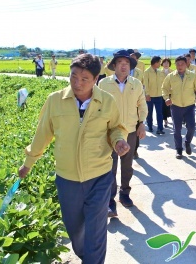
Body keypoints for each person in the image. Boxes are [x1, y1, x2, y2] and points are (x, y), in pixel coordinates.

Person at [18, 54, 130, 263]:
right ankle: (85, 255)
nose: (77, 83)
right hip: (67, 178)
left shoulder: (106, 101)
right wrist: (28, 163)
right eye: (73, 77)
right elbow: (42, 134)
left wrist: (118, 141)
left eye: (84, 79)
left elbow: (115, 128)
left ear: (96, 78)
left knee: (96, 229)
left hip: (99, 175)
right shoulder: (55, 100)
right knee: (75, 228)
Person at [98, 50, 147, 216]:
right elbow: (98, 107)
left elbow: (142, 105)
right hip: (110, 133)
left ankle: (124, 193)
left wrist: (142, 124)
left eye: (126, 63)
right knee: (110, 168)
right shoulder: (104, 84)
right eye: (120, 63)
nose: (124, 65)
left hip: (131, 131)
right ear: (114, 66)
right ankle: (110, 201)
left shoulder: (136, 84)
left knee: (127, 167)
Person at [162, 55, 196, 159]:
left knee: (191, 127)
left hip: (189, 106)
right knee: (177, 129)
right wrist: (166, 98)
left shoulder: (192, 75)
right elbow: (164, 88)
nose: (180, 66)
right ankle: (178, 150)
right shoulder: (171, 76)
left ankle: (187, 142)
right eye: (178, 64)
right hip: (176, 106)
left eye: (182, 64)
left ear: (186, 64)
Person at [144, 56, 166, 134]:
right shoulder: (147, 72)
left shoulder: (160, 72)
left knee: (159, 113)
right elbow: (145, 84)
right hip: (150, 96)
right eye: (159, 62)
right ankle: (150, 126)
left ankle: (160, 128)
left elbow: (163, 83)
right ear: (155, 62)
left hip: (159, 95)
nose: (160, 64)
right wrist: (147, 94)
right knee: (149, 112)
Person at [161, 58, 173, 127]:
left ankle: (174, 119)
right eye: (164, 63)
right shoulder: (159, 72)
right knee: (164, 107)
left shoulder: (173, 72)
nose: (166, 64)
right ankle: (165, 120)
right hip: (163, 93)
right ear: (162, 64)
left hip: (171, 92)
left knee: (172, 107)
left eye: (167, 63)